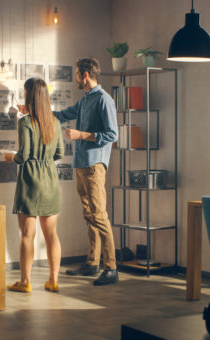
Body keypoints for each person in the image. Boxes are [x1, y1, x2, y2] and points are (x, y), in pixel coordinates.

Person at [54, 57, 119, 286]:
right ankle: (92, 263)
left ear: (85, 74)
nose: (75, 78)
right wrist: (36, 111)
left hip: (94, 165)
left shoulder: (104, 100)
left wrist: (82, 135)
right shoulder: (84, 101)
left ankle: (111, 267)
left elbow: (113, 135)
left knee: (99, 215)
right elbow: (62, 115)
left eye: (76, 73)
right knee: (88, 214)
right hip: (81, 165)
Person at [7, 78, 64, 293]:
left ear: (29, 95)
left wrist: (10, 158)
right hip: (50, 180)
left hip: (31, 181)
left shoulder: (25, 122)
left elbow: (24, 155)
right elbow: (59, 153)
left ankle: (25, 282)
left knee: (27, 234)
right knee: (52, 235)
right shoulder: (55, 122)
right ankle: (53, 280)